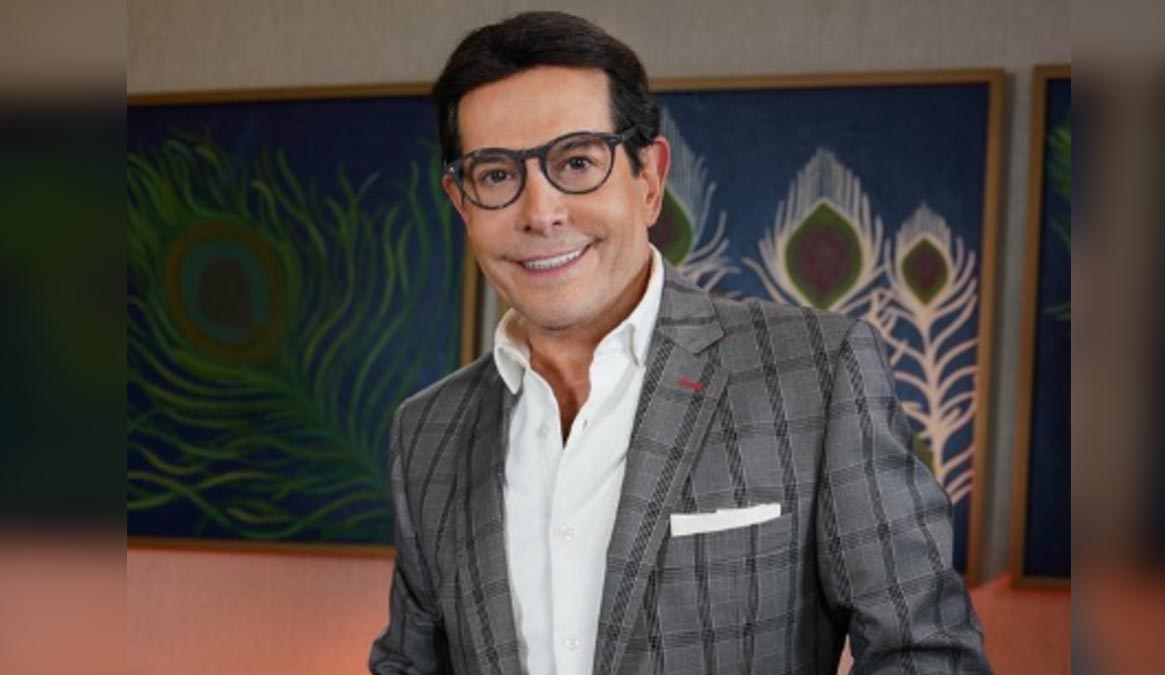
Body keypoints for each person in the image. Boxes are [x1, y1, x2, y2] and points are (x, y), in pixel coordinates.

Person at [370, 10, 991, 675]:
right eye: (496, 175)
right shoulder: (426, 430)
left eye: (577, 162)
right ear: (462, 203)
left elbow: (929, 654)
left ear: (649, 179)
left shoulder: (818, 373)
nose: (541, 212)